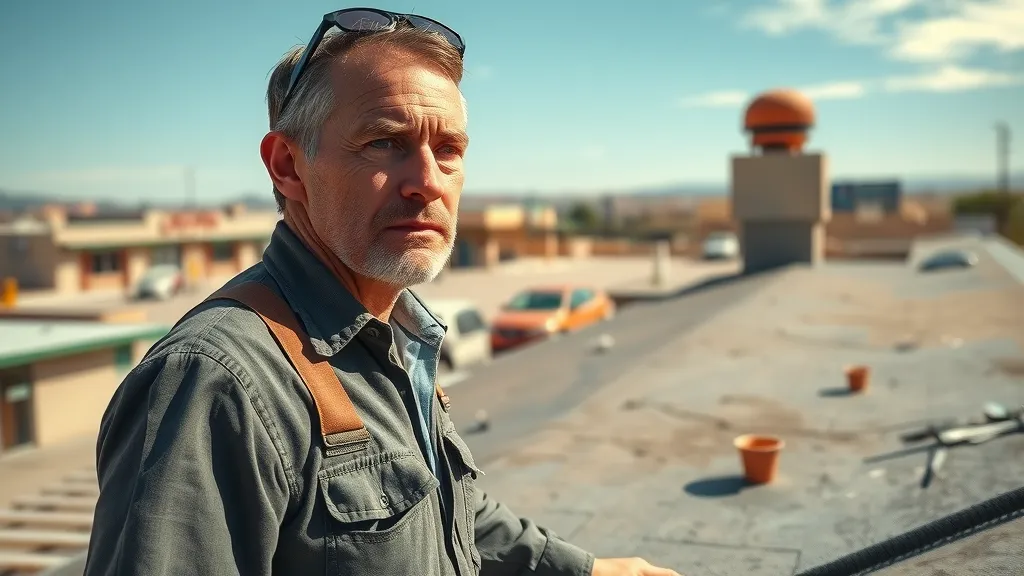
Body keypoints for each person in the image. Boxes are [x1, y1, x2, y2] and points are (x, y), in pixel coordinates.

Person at [84, 8, 682, 576]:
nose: (427, 182)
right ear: (288, 166)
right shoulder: (213, 382)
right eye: (384, 143)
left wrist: (582, 569)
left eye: (448, 150)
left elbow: (442, 512)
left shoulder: (393, 329)